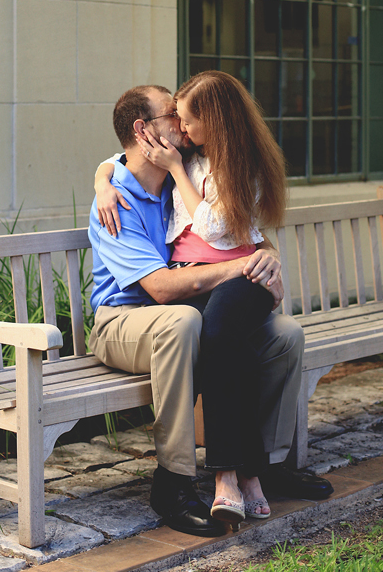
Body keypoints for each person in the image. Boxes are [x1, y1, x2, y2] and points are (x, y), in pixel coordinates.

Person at [89, 84, 332, 539]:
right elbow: (160, 289)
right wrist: (242, 267)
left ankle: (269, 464)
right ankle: (174, 482)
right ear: (144, 131)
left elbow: (229, 229)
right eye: (170, 117)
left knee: (284, 335)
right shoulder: (117, 198)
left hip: (185, 313)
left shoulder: (176, 178)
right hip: (122, 322)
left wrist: (266, 255)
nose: (181, 124)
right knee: (184, 321)